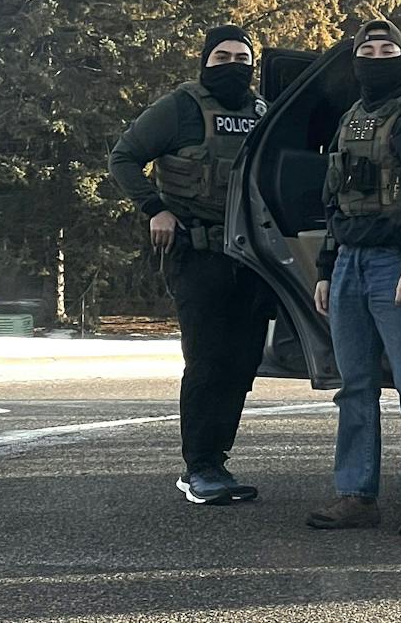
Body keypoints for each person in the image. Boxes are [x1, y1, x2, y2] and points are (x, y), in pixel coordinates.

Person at [305, 18, 401, 537]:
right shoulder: (352, 118)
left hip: (394, 263)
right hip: (349, 262)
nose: (377, 56)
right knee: (354, 389)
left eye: (387, 48)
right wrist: (327, 269)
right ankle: (356, 495)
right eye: (368, 49)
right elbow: (335, 200)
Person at [109, 25, 273, 505]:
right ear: (205, 62)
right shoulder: (180, 107)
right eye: (221, 56)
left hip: (250, 257)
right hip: (197, 251)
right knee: (207, 360)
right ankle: (198, 468)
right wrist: (154, 209)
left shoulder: (263, 113)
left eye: (241, 57)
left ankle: (216, 462)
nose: (232, 65)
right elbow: (124, 157)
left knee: (242, 362)